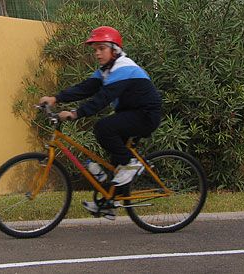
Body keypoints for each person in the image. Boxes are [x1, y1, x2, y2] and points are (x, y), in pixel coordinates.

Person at [39, 26, 162, 220]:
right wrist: (56, 98)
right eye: (95, 49)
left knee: (104, 128)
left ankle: (132, 164)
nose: (97, 53)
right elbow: (85, 88)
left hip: (145, 115)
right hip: (130, 113)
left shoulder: (124, 67)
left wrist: (75, 113)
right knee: (115, 162)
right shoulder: (106, 71)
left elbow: (103, 98)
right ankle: (108, 203)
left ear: (114, 49)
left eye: (101, 48)